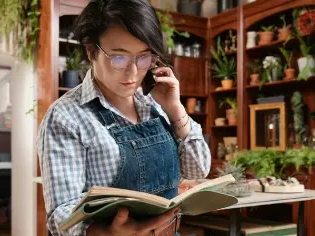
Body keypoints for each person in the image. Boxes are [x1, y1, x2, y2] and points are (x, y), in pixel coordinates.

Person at [37, 0, 211, 235]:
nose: (133, 73)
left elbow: (198, 170)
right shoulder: (67, 117)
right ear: (91, 51)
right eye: (119, 58)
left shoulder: (154, 104)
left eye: (143, 58)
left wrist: (175, 108)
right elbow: (61, 217)